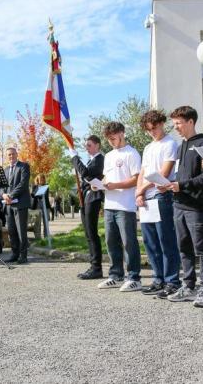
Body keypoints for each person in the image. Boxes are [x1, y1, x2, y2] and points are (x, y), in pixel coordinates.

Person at [162, 106, 203, 306]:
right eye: (174, 124)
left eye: (178, 123)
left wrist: (181, 185)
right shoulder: (182, 145)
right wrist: (170, 184)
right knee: (184, 248)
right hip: (179, 204)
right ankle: (189, 286)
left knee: (201, 248)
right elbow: (182, 175)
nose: (176, 128)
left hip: (195, 207)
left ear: (191, 122)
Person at [135, 110, 181, 298]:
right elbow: (143, 171)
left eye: (154, 128)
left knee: (166, 240)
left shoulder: (170, 144)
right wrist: (138, 193)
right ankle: (158, 278)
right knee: (150, 241)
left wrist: (142, 189)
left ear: (161, 123)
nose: (152, 132)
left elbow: (164, 172)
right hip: (147, 198)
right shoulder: (148, 148)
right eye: (148, 130)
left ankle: (172, 280)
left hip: (162, 197)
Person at [97, 122, 142, 292]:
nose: (112, 142)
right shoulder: (108, 156)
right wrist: (99, 185)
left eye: (114, 138)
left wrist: (115, 185)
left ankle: (134, 277)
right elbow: (107, 178)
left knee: (128, 242)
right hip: (109, 205)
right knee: (111, 241)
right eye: (109, 139)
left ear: (122, 133)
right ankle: (115, 275)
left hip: (126, 205)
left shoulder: (132, 154)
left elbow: (136, 179)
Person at [70, 135, 105, 280]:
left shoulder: (99, 159)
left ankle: (97, 267)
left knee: (92, 233)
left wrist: (75, 158)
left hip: (93, 198)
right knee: (88, 234)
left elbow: (85, 173)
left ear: (97, 145)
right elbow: (85, 176)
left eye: (89, 145)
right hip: (86, 198)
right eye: (86, 145)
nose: (86, 148)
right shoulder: (91, 160)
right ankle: (93, 265)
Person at [2, 147, 31, 264]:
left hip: (20, 204)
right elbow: (2, 186)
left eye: (13, 154)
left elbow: (23, 184)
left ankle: (23, 256)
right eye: (9, 155)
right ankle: (15, 253)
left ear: (17, 154)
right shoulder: (5, 170)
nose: (11, 156)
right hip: (8, 205)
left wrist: (11, 196)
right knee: (12, 231)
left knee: (21, 231)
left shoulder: (24, 166)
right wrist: (4, 195)